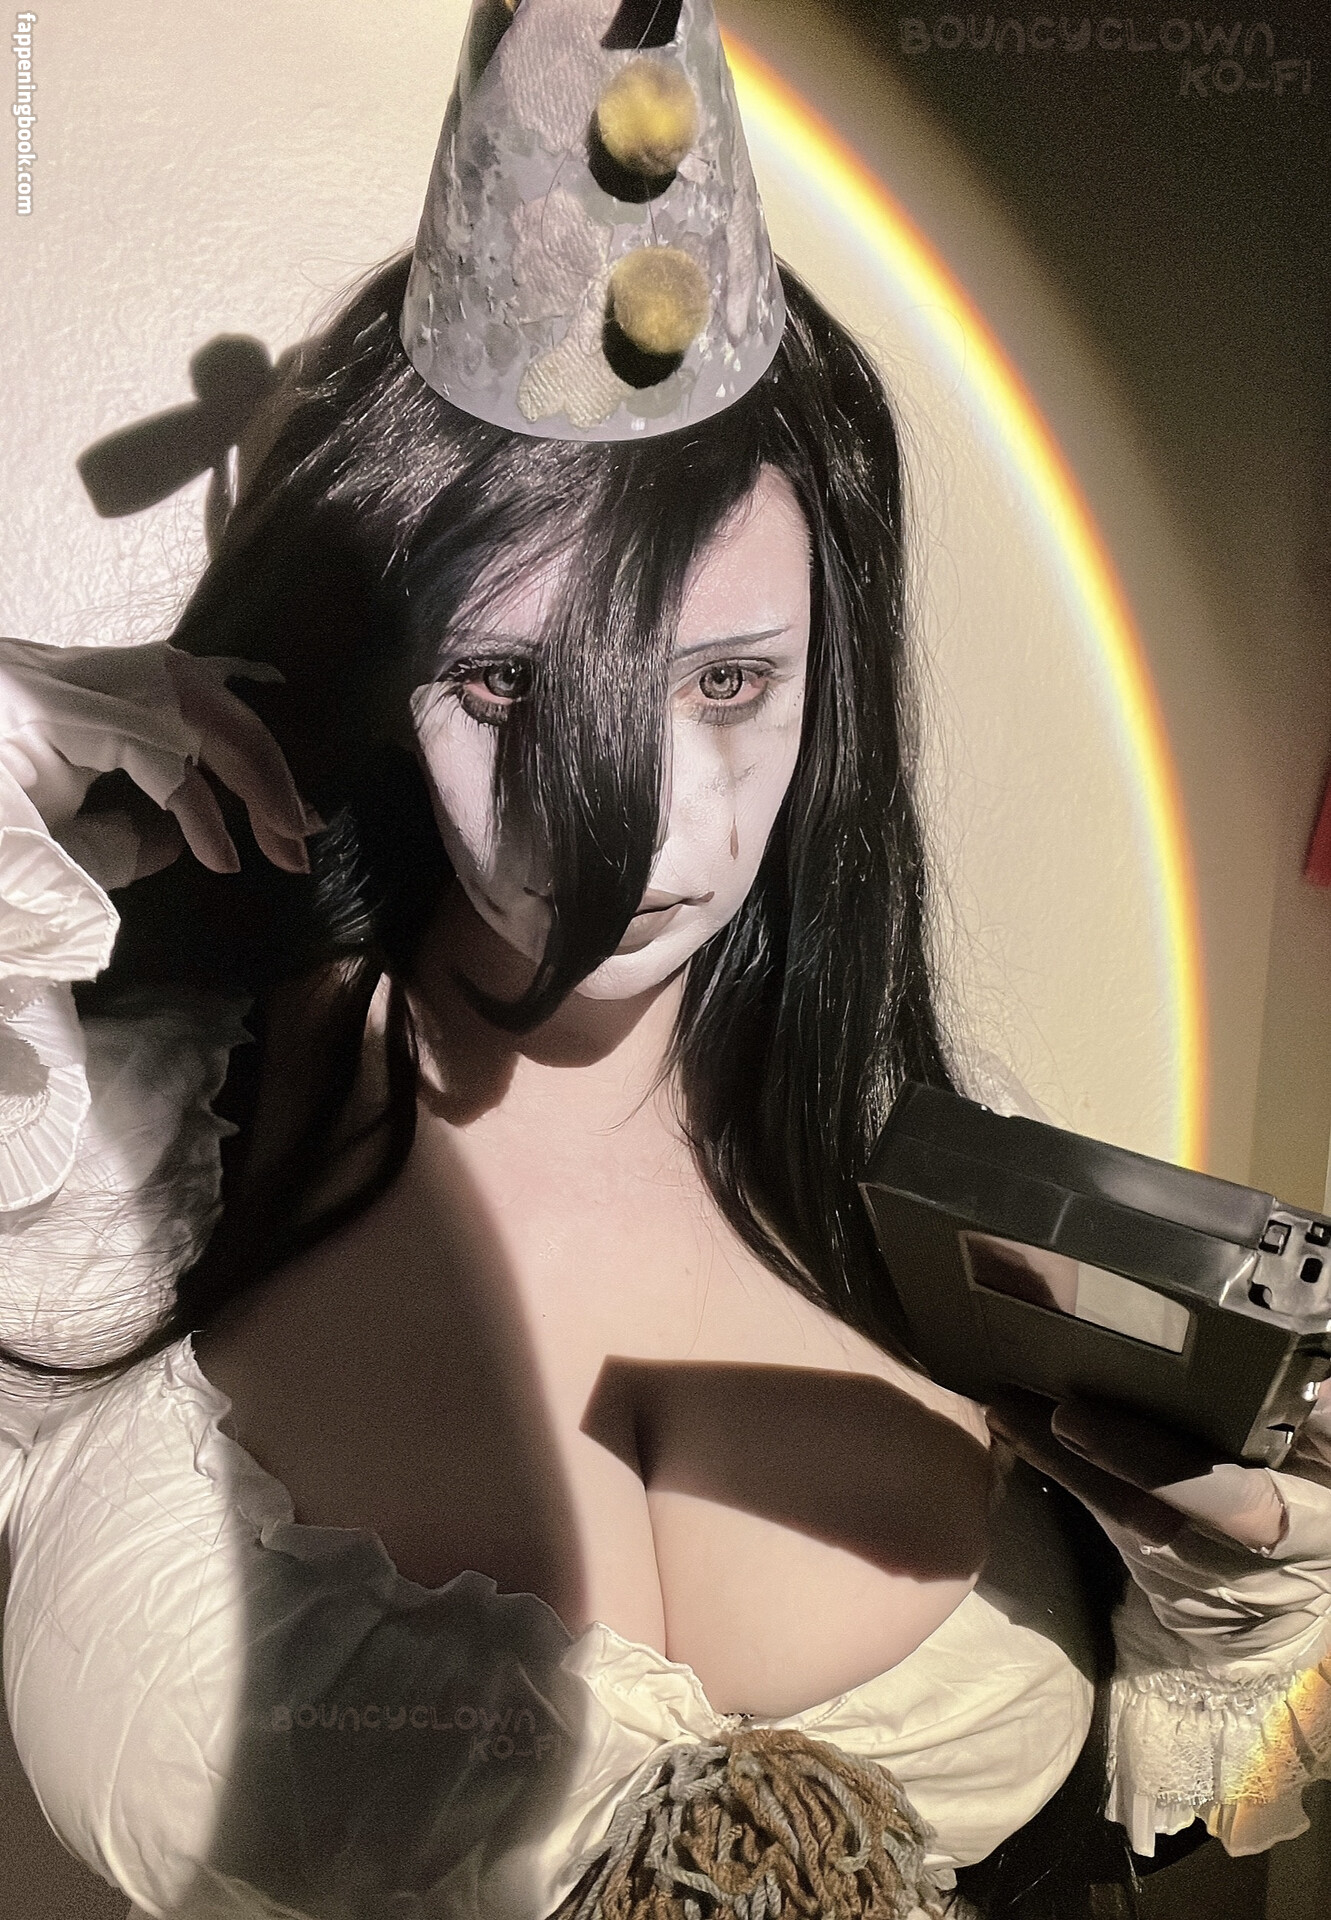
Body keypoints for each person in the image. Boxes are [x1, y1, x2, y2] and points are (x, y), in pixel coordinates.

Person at [2, 4, 1329, 1917]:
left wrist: (1222, 1609)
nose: (640, 832)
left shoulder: (944, 1203)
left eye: (727, 684)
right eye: (500, 681)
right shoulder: (94, 1140)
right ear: (377, 676)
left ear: (829, 673)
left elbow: (1150, 1823)